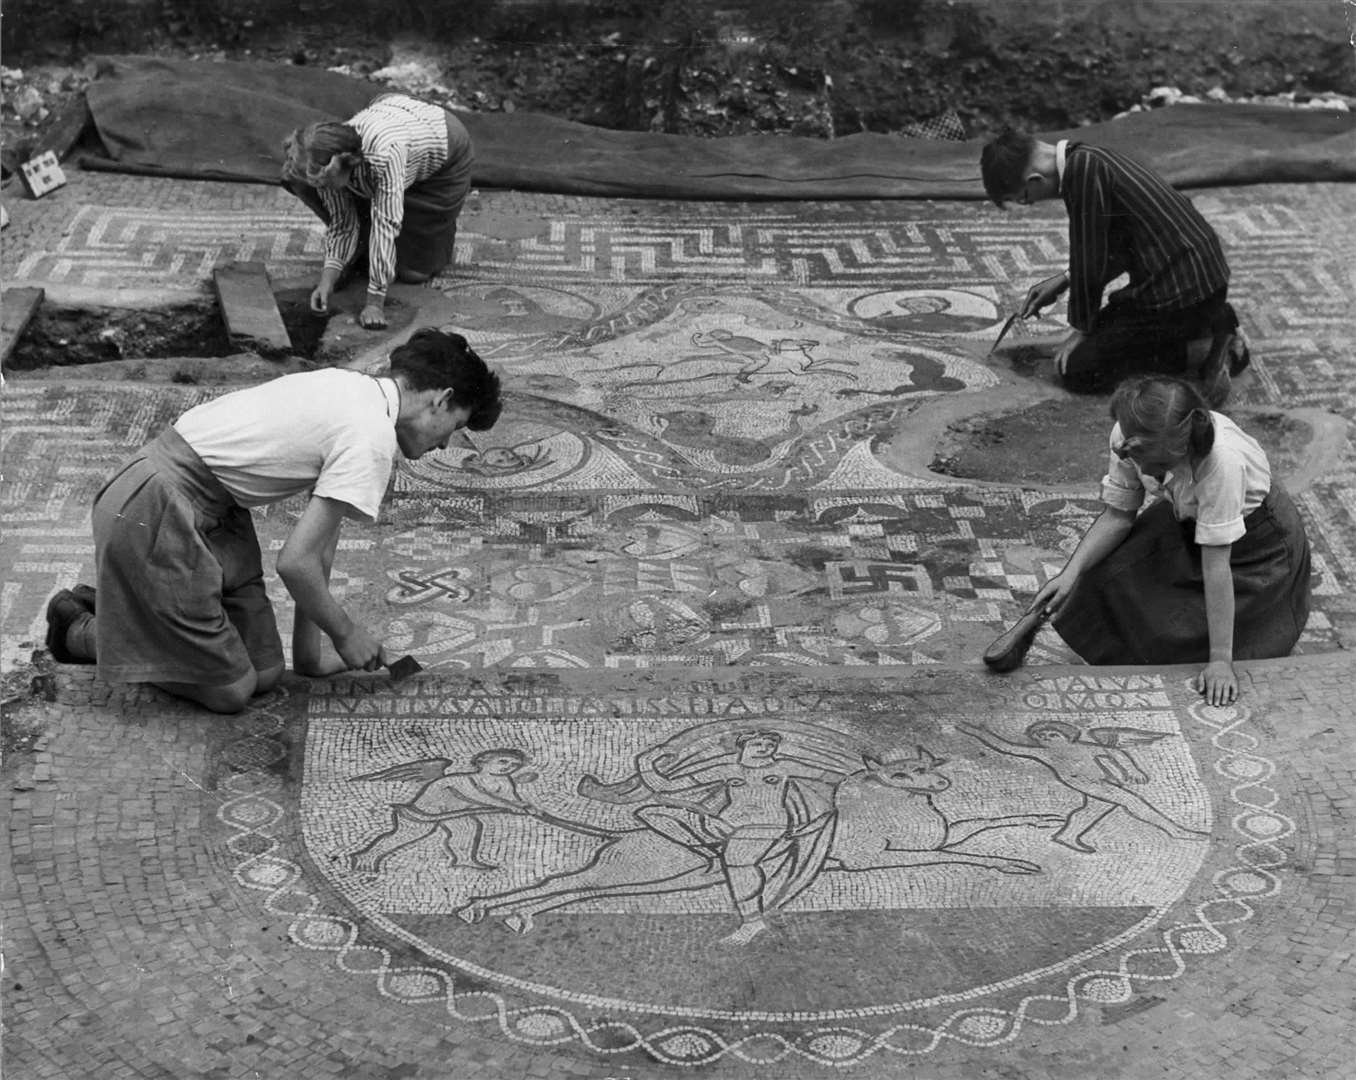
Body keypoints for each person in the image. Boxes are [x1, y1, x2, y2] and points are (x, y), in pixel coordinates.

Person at [44, 329, 502, 714]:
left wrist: (310, 658)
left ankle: (132, 605)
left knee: (263, 673)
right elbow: (295, 563)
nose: (444, 447)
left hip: (208, 511)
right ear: (441, 401)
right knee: (232, 691)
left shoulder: (354, 390)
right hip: (157, 509)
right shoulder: (371, 437)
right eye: (456, 428)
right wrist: (346, 634)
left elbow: (318, 547)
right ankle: (81, 631)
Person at [982, 376, 1310, 705]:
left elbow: (1216, 567)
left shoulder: (1221, 463)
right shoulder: (1127, 437)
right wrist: (1069, 574)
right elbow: (1117, 517)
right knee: (1103, 580)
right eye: (1140, 460)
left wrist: (1221, 661)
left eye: (1159, 463)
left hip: (1257, 543)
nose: (1147, 470)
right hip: (1185, 519)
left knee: (1195, 630)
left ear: (1183, 445)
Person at [979, 130, 1249, 400]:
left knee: (1078, 369)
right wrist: (1064, 279)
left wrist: (1082, 329)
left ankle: (1207, 348)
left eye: (1024, 198)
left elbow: (1090, 256)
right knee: (1111, 333)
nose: (1031, 203)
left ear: (1034, 179)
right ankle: (1210, 320)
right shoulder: (1089, 157)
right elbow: (1120, 245)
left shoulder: (1081, 174)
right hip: (1204, 279)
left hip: (1179, 291)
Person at [282, 93, 475, 330]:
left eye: (321, 179)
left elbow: (386, 224)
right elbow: (342, 222)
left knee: (413, 272)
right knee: (296, 179)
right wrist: (326, 282)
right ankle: (359, 247)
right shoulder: (326, 160)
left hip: (442, 150)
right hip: (390, 116)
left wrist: (374, 302)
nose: (318, 184)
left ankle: (434, 232)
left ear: (337, 165)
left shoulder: (384, 155)